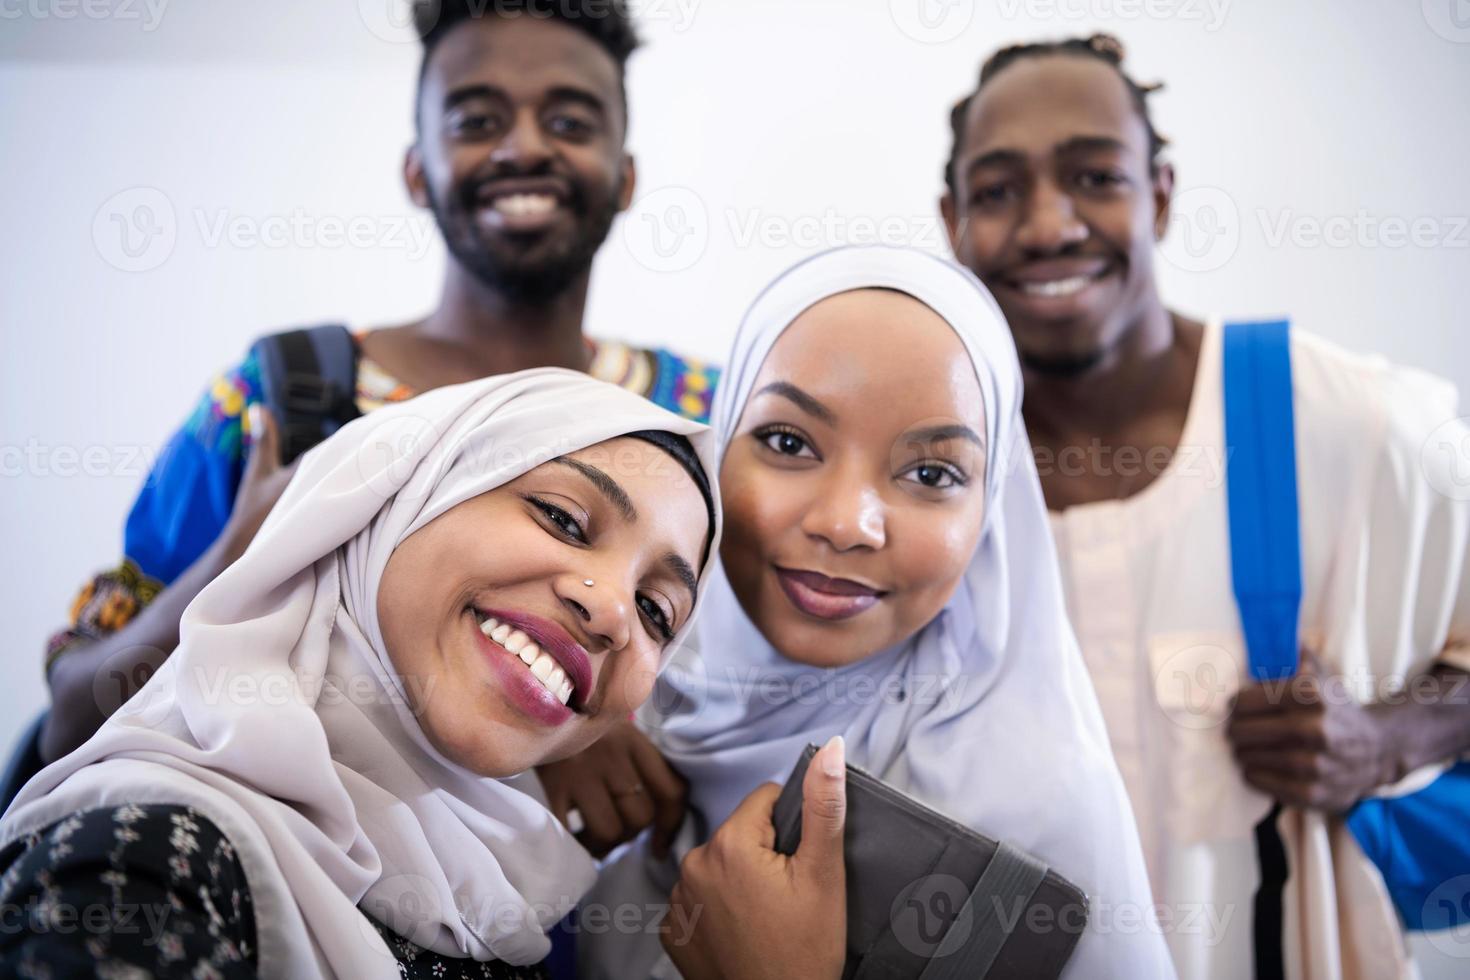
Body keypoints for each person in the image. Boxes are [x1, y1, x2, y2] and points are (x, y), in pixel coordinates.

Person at [35, 0, 719, 766]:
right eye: (476, 121)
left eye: (569, 123)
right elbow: (72, 725)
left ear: (625, 178)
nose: (524, 147)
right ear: (417, 171)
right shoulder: (275, 397)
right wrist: (239, 563)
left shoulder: (700, 420)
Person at [939, 33, 1470, 978]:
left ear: (1163, 193)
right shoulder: (930, 472)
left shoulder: (1353, 420)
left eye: (1095, 176)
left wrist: (1384, 739)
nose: (1049, 225)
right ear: (952, 221)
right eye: (997, 190)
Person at [555, 245, 1175, 978]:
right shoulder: (612, 691)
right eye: (788, 442)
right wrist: (537, 750)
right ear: (719, 452)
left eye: (931, 473)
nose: (848, 523)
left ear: (990, 521)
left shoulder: (1029, 814)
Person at [1, 369, 720, 978]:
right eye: (563, 517)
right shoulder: (144, 866)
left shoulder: (515, 907)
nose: (614, 615)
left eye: (658, 611)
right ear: (394, 502)